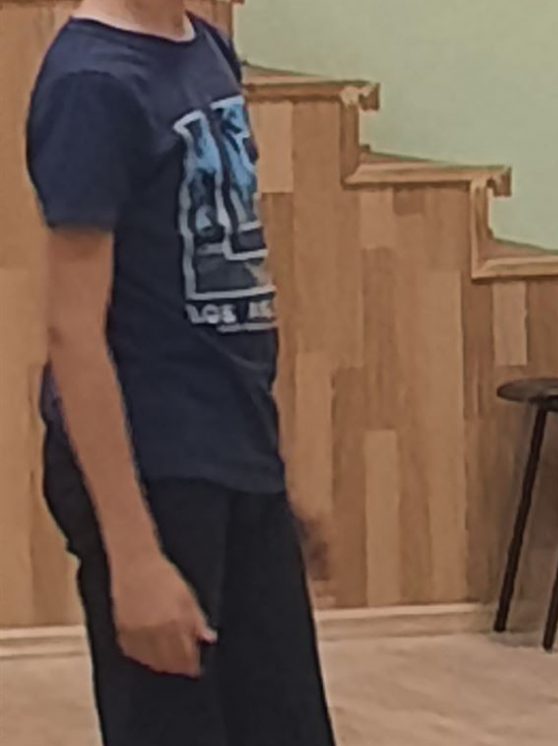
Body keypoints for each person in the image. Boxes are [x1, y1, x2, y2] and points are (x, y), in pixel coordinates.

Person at [26, 1, 335, 744]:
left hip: (236, 459)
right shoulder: (92, 83)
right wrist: (134, 555)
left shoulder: (208, 52)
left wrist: (268, 482)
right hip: (153, 465)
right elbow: (73, 332)